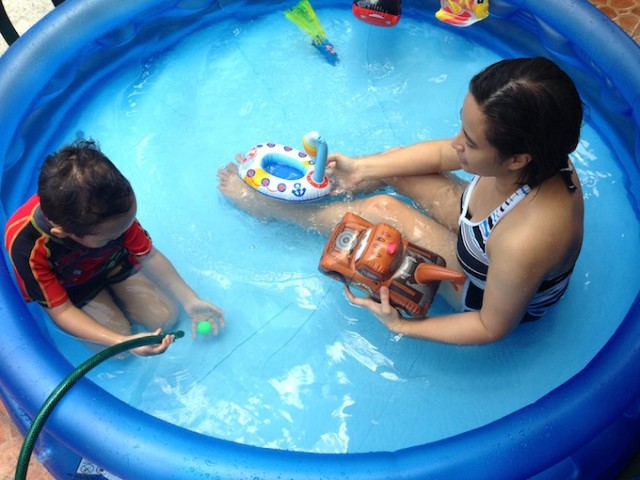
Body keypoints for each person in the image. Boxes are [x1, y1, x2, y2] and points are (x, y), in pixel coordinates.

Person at [217, 57, 584, 345]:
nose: (457, 142)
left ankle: (272, 209)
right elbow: (444, 155)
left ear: (518, 159)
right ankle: (345, 184)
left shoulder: (527, 239)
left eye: (470, 142)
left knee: (382, 211)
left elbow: (491, 325)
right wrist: (362, 168)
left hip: (485, 290)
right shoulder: (540, 149)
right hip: (487, 233)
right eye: (461, 126)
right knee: (397, 162)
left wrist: (402, 327)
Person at [5, 140, 225, 356]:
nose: (124, 233)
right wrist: (122, 342)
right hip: (73, 288)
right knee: (119, 352)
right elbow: (61, 311)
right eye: (111, 236)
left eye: (127, 226)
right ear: (63, 233)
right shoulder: (28, 246)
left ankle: (119, 298)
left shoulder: (113, 207)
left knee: (165, 318)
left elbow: (148, 255)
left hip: (112, 263)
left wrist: (190, 299)